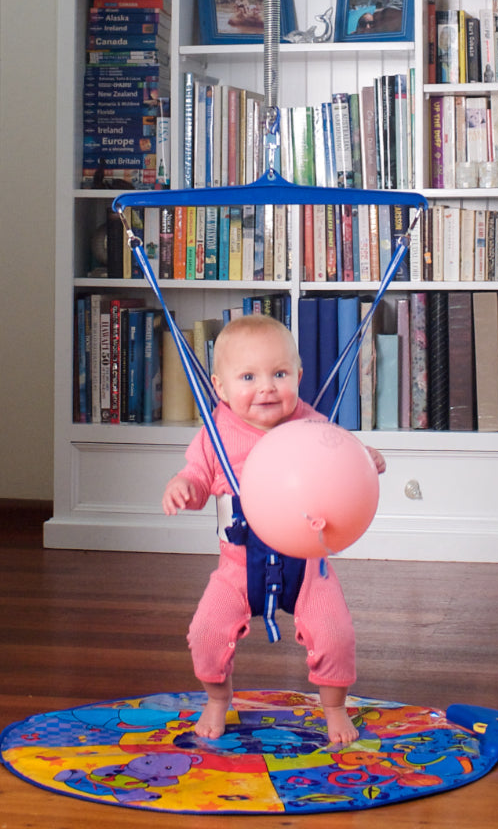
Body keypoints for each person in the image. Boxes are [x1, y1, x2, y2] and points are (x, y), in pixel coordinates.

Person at [162, 313, 386, 744]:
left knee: (336, 635)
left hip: (307, 567)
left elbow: (344, 461)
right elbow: (197, 480)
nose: (266, 387)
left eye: (279, 374)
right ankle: (217, 697)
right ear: (221, 388)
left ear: (299, 377)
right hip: (238, 568)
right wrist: (182, 488)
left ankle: (335, 707)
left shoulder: (312, 425)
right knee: (205, 634)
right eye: (248, 376)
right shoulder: (216, 433)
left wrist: (366, 461)